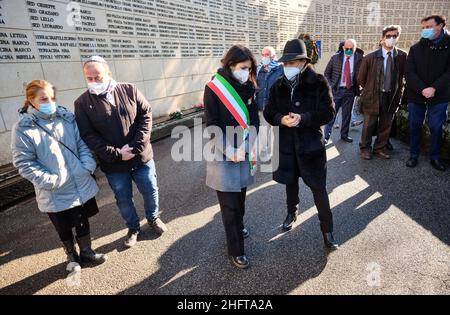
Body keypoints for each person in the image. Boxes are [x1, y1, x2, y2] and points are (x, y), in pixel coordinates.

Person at [11, 80, 107, 272]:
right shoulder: (23, 128)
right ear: (31, 100)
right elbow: (24, 162)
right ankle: (71, 256)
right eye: (44, 98)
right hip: (54, 187)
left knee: (81, 219)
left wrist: (87, 166)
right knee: (62, 225)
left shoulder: (67, 118)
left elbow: (81, 145)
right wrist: (50, 180)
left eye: (52, 97)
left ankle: (87, 251)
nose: (50, 102)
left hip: (78, 179)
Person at [74, 56, 167, 249]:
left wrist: (135, 147)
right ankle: (133, 228)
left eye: (97, 76)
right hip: (114, 164)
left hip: (141, 157)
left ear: (108, 73)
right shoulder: (82, 103)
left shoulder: (129, 89)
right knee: (123, 199)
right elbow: (88, 134)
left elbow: (146, 115)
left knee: (150, 190)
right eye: (89, 78)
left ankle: (153, 218)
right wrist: (117, 154)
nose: (93, 81)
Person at [264, 39, 338, 249]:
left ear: (304, 62)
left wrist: (303, 118)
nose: (288, 68)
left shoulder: (319, 82)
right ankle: (291, 212)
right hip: (286, 146)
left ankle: (328, 230)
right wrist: (280, 119)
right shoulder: (278, 85)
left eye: (293, 63)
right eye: (285, 64)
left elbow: (328, 112)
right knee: (290, 182)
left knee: (318, 188)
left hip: (311, 146)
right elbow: (269, 112)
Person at [204, 45, 260, 269]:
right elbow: (212, 124)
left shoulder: (250, 87)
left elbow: (255, 121)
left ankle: (239, 224)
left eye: (249, 68)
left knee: (241, 200)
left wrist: (246, 147)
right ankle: (236, 251)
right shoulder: (214, 88)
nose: (246, 72)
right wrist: (230, 151)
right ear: (230, 65)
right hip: (223, 152)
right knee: (229, 206)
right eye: (243, 67)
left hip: (245, 152)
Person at [405, 15, 450, 171]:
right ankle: (413, 155)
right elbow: (409, 72)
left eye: (428, 27)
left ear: (441, 25)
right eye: (423, 27)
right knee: (414, 125)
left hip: (440, 95)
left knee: (436, 126)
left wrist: (434, 88)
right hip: (416, 94)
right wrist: (422, 88)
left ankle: (435, 157)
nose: (425, 30)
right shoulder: (415, 48)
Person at [357, 25, 407, 160]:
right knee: (369, 125)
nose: (391, 39)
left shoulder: (402, 56)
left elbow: (403, 76)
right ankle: (365, 148)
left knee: (386, 124)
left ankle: (379, 148)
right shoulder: (370, 57)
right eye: (388, 36)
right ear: (382, 38)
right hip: (373, 95)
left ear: (398, 37)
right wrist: (370, 90)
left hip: (391, 96)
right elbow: (361, 78)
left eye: (394, 36)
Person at [324, 39, 363, 143]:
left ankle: (344, 135)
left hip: (350, 91)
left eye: (351, 49)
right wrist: (331, 86)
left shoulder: (359, 59)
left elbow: (363, 74)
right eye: (347, 48)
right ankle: (326, 136)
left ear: (355, 48)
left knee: (347, 115)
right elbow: (327, 73)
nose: (349, 51)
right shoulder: (335, 58)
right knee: (332, 114)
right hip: (336, 90)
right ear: (343, 48)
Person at [256, 46, 283, 160]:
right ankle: (265, 151)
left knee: (277, 130)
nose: (265, 57)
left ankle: (278, 152)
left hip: (277, 106)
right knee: (264, 130)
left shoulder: (280, 68)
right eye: (263, 54)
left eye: (267, 55)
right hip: (262, 106)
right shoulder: (258, 69)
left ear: (273, 56)